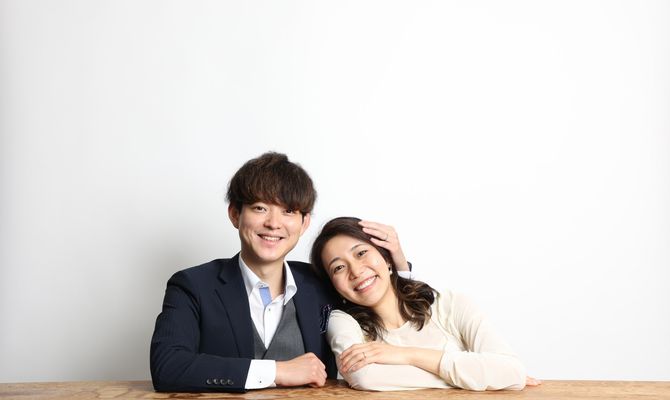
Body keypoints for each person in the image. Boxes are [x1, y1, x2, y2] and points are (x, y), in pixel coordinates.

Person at [150, 152, 411, 392]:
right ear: (235, 214)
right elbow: (168, 367)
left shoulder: (322, 282)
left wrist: (397, 262)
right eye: (260, 208)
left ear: (304, 223)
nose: (274, 224)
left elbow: (392, 316)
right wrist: (276, 371)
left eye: (288, 211)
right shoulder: (193, 285)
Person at [310, 217, 540, 391]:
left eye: (361, 253)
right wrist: (477, 377)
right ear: (333, 285)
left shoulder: (450, 304)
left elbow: (511, 371)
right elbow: (364, 377)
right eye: (338, 267)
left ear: (387, 258)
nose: (356, 271)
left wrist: (406, 355)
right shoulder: (342, 322)